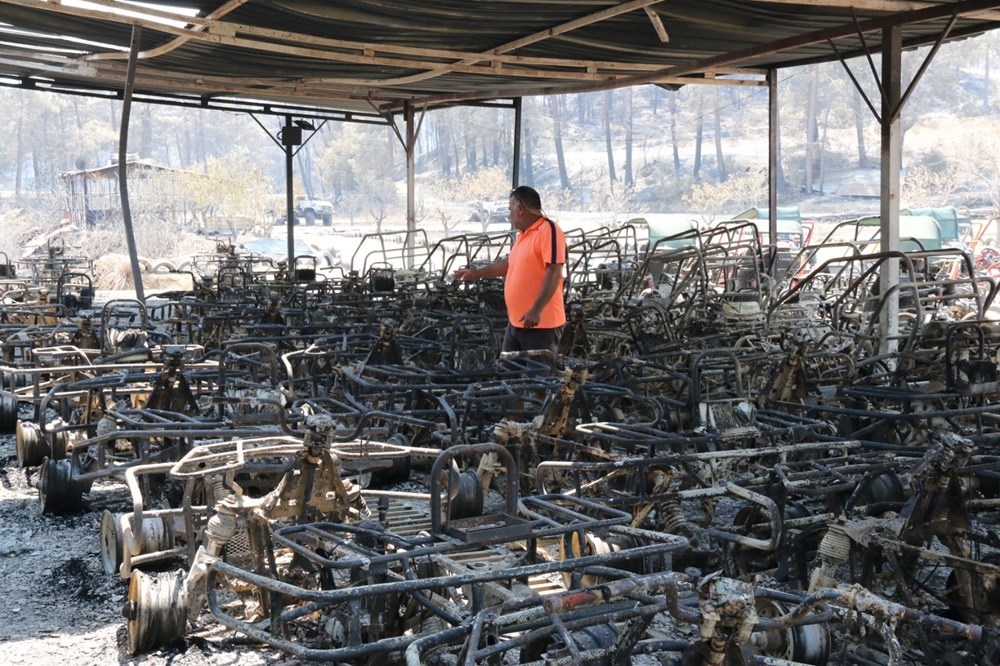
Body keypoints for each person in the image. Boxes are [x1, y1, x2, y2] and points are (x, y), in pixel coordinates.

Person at [454, 186, 566, 355]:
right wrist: (477, 273)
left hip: (540, 325)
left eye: (510, 209)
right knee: (508, 375)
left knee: (536, 379)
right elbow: (509, 263)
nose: (509, 215)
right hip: (517, 322)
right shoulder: (523, 235)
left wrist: (536, 309)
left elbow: (554, 271)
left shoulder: (548, 230)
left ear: (520, 209)